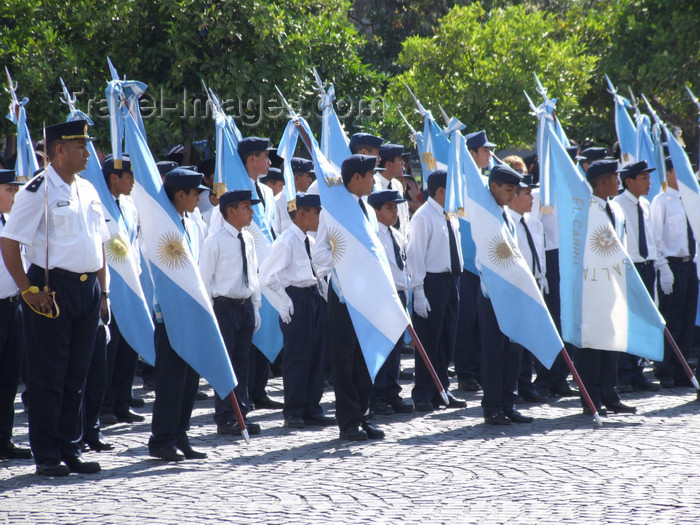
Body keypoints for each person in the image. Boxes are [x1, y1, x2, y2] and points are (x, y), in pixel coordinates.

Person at [0, 120, 109, 476]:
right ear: (59, 149)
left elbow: (100, 243)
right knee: (50, 375)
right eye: (80, 146)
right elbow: (10, 241)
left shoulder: (89, 189)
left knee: (78, 374)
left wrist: (102, 290)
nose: (87, 153)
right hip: (51, 288)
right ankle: (46, 453)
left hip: (86, 289)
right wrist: (26, 289)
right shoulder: (38, 190)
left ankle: (70, 446)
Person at [312, 154, 386, 441]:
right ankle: (348, 421)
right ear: (357, 177)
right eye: (371, 174)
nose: (375, 180)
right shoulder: (334, 211)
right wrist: (340, 278)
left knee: (366, 356)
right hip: (344, 294)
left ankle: (363, 413)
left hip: (368, 293)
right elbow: (320, 253)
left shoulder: (366, 208)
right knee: (344, 358)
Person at [259, 192, 336, 429]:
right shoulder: (286, 241)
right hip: (296, 299)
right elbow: (266, 275)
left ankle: (312, 407)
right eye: (316, 213)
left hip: (313, 298)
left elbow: (318, 272)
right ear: (301, 213)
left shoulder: (310, 241)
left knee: (316, 355)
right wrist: (283, 299)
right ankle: (293, 410)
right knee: (298, 357)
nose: (319, 218)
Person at [147, 167, 209, 462]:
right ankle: (162, 438)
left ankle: (180, 433)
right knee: (171, 380)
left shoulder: (192, 224)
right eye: (195, 193)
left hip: (192, 313)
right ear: (180, 194)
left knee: (189, 381)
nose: (199, 198)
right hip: (170, 314)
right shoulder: (162, 225)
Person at [199, 189, 263, 437]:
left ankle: (241, 414)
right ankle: (225, 416)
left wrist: (255, 305)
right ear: (230, 211)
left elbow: (253, 274)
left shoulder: (247, 238)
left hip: (244, 305)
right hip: (224, 307)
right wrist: (209, 315)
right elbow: (204, 280)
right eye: (246, 207)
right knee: (226, 365)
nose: (251, 212)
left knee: (242, 364)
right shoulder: (214, 241)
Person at [575, 159, 636, 416]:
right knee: (591, 344)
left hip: (613, 283)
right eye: (614, 177)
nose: (618, 182)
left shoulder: (615, 209)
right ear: (602, 182)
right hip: (592, 284)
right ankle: (591, 397)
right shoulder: (585, 210)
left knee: (611, 340)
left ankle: (609, 393)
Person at [477, 164, 534, 425]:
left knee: (513, 351)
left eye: (515, 191)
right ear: (494, 187)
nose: (513, 196)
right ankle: (493, 406)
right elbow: (485, 256)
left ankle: (508, 402)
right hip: (493, 295)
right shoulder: (486, 216)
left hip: (513, 293)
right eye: (509, 190)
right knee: (494, 353)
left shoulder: (506, 215)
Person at [406, 169, 467, 412]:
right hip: (431, 282)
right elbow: (416, 254)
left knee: (446, 340)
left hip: (451, 281)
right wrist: (418, 290)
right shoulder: (423, 217)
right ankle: (423, 393)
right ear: (441, 190)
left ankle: (442, 389)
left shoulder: (450, 214)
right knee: (428, 340)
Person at [98, 155, 146, 426]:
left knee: (129, 345)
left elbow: (134, 245)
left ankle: (122, 401)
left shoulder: (128, 205)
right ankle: (104, 405)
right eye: (128, 176)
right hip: (110, 286)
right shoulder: (100, 204)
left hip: (130, 285)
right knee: (110, 348)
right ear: (114, 178)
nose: (132, 182)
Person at [613, 160, 661, 392]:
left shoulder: (646, 205)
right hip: (629, 267)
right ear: (628, 181)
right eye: (643, 178)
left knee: (643, 320)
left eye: (648, 178)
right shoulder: (618, 204)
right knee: (626, 320)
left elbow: (650, 237)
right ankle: (623, 372)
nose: (648, 182)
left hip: (646, 266)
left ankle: (638, 371)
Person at [651, 157, 699, 388]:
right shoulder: (662, 202)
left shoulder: (691, 201)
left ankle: (683, 371)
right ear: (669, 173)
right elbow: (655, 239)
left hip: (690, 265)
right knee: (673, 320)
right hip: (672, 265)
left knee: (688, 321)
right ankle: (665, 369)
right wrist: (663, 267)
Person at [367, 189, 414, 416]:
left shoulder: (396, 235)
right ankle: (378, 395)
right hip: (382, 296)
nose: (395, 212)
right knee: (383, 349)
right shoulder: (372, 236)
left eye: (396, 207)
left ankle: (392, 392)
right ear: (375, 212)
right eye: (389, 208)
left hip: (399, 294)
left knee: (396, 349)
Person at [505, 167, 549, 404]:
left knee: (530, 340)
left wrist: (542, 279)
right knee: (515, 343)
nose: (533, 199)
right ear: (514, 197)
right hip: (516, 289)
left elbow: (538, 254)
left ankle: (526, 383)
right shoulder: (507, 223)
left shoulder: (534, 223)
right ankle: (513, 386)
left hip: (534, 286)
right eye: (528, 194)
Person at [0, 169, 31, 461]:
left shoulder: (10, 223)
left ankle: (3, 440)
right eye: (10, 189)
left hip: (13, 306)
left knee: (9, 378)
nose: (15, 195)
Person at [374, 144, 410, 238]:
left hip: (399, 241)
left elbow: (404, 216)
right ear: (389, 164)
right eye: (400, 159)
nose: (403, 163)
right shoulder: (373, 184)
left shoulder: (397, 185)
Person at [275, 157, 315, 234]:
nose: (310, 180)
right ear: (296, 178)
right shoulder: (277, 202)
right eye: (307, 176)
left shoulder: (307, 202)